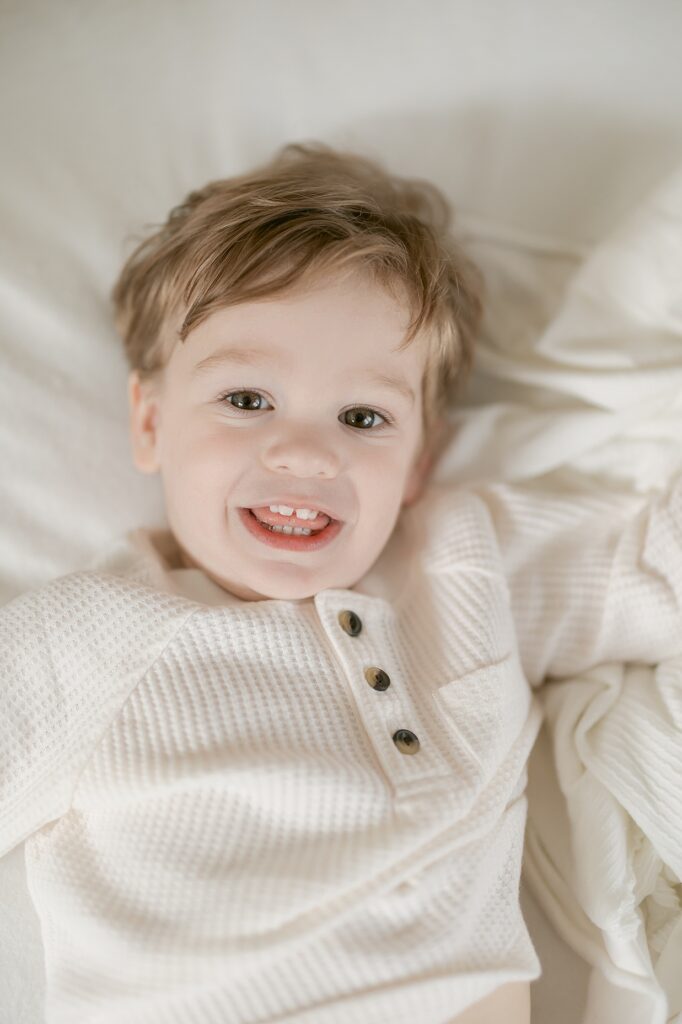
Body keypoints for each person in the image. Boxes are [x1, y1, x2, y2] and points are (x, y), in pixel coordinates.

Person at [1, 141, 680, 1024]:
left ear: (419, 460)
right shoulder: (88, 637)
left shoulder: (468, 566)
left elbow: (653, 571)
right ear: (151, 422)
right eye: (247, 400)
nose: (307, 452)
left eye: (363, 416)